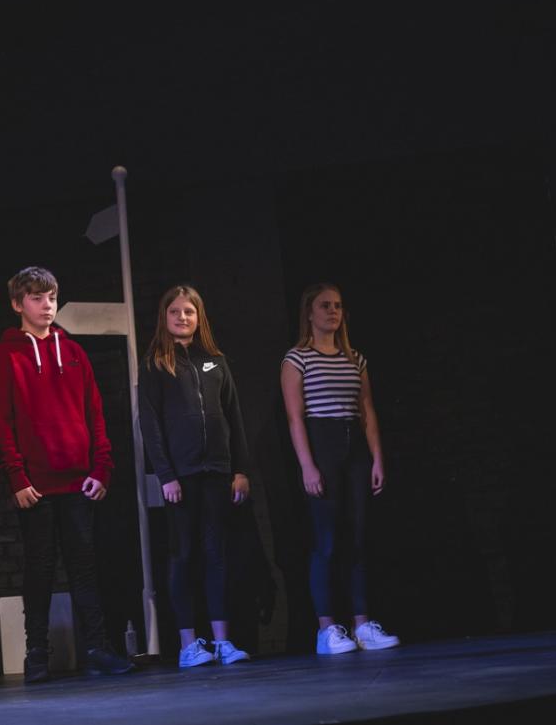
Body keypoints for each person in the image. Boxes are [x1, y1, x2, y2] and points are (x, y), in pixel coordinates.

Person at [0, 266, 133, 683]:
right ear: (18, 304)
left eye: (51, 297)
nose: (46, 305)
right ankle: (37, 654)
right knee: (39, 569)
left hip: (78, 483)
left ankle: (97, 649)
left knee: (85, 567)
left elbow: (96, 415)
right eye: (36, 297)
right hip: (35, 487)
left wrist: (102, 469)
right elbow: (0, 422)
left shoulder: (74, 352)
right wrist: (16, 478)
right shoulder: (6, 356)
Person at [281, 283, 400, 655]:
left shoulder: (356, 358)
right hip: (322, 444)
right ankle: (327, 629)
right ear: (310, 313)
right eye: (324, 305)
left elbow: (368, 411)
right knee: (327, 541)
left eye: (337, 306)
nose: (332, 311)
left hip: (354, 449)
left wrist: (377, 457)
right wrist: (307, 466)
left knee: (358, 537)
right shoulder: (296, 359)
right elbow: (295, 418)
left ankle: (362, 625)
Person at [138, 285, 252, 668]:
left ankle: (222, 641)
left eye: (189, 311)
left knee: (216, 555)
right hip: (180, 479)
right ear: (164, 317)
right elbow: (151, 426)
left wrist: (240, 470)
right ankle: (189, 644)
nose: (182, 317)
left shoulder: (216, 361)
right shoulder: (156, 362)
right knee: (183, 556)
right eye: (175, 311)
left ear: (198, 316)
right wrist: (166, 475)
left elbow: (233, 417)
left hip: (218, 473)